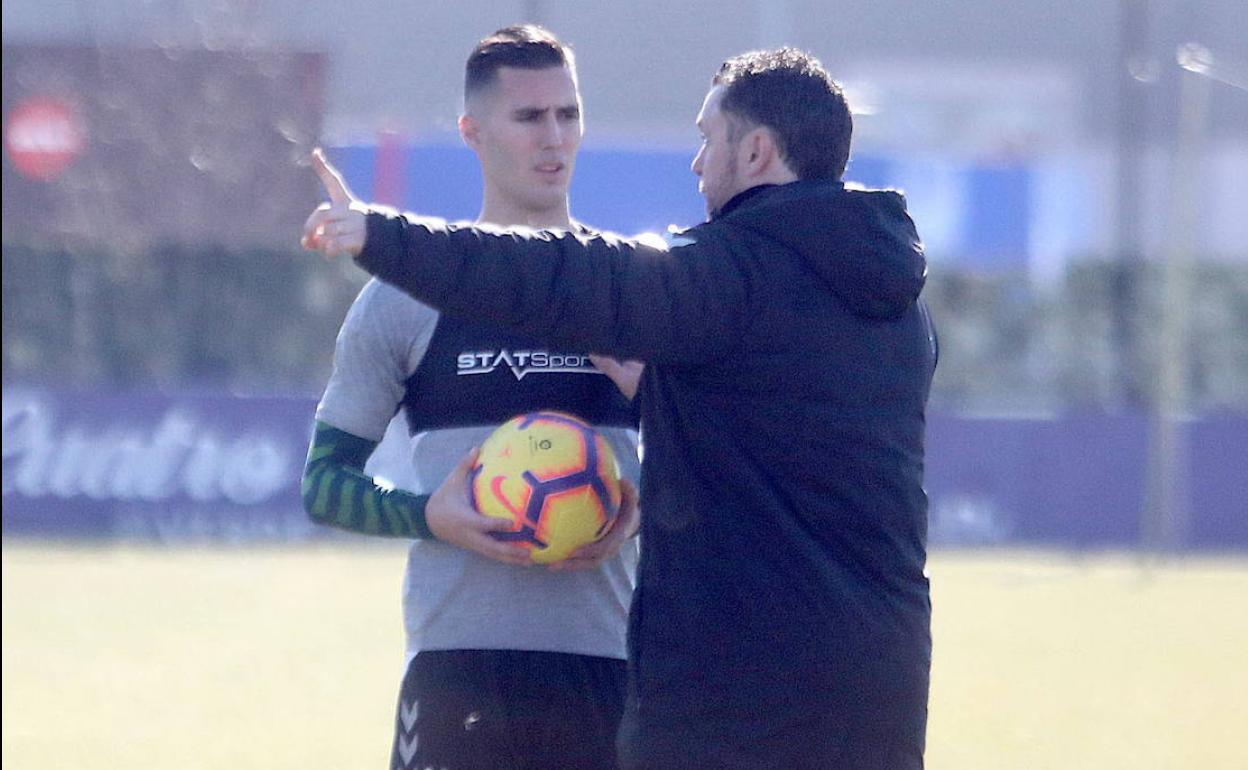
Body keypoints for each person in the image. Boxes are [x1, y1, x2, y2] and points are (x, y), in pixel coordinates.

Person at [305, 47, 938, 769]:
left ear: (757, 150)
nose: (698, 164)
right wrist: (661, 398)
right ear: (474, 131)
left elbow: (556, 276)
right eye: (530, 116)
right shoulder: (900, 309)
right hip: (877, 689)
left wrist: (384, 236)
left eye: (708, 138)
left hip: (731, 697)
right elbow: (775, 428)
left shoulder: (718, 281)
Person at [300, 25, 641, 770]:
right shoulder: (402, 303)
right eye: (528, 117)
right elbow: (324, 486)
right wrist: (428, 516)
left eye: (568, 114)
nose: (554, 137)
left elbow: (721, 458)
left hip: (609, 676)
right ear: (473, 133)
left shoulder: (631, 291)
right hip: (458, 677)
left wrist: (643, 500)